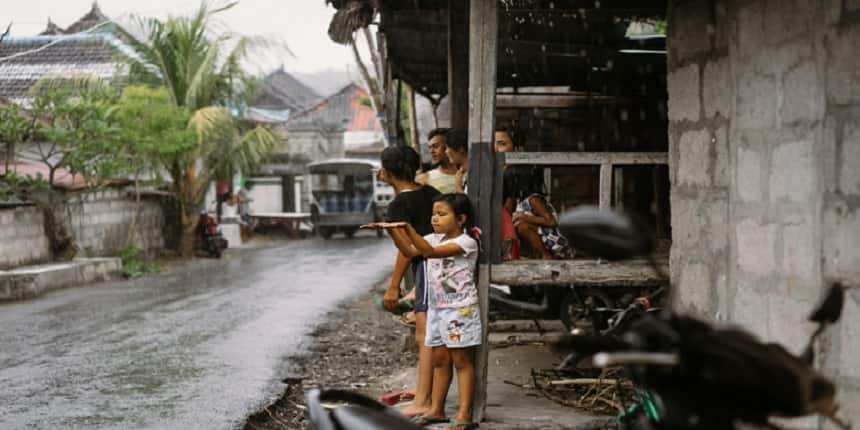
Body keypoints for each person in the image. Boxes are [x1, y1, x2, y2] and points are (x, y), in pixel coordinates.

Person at [364, 193, 481, 430]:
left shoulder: (466, 242)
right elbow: (410, 251)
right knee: (439, 360)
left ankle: (464, 415)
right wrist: (392, 230)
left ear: (461, 219)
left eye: (442, 214)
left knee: (461, 360)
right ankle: (437, 410)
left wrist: (407, 228)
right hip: (438, 308)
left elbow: (428, 252)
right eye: (434, 214)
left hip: (460, 310)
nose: (435, 219)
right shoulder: (432, 238)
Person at [376, 145, 440, 417]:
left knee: (424, 336)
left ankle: (423, 401)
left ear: (387, 173)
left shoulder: (398, 205)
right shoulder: (431, 193)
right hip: (444, 265)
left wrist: (393, 286)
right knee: (435, 335)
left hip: (426, 269)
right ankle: (426, 392)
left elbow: (406, 251)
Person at [507, 166, 574, 260]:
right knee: (519, 225)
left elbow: (552, 221)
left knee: (522, 226)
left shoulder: (534, 199)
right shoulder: (522, 200)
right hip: (544, 237)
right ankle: (536, 254)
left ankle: (546, 255)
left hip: (555, 241)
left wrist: (523, 217)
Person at [416, 128, 458, 194]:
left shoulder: (465, 173)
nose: (431, 151)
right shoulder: (424, 179)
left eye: (435, 146)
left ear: (448, 146)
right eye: (429, 148)